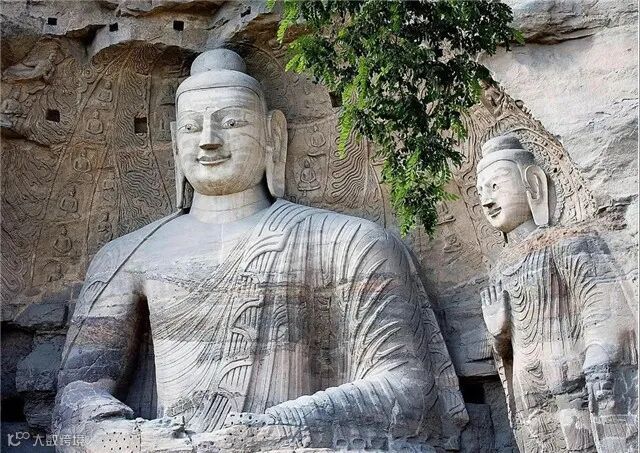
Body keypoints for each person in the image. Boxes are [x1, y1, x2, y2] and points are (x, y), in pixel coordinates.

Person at [53, 49, 466, 452]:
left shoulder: (349, 241)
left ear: (273, 134)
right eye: (192, 127)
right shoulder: (127, 256)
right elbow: (75, 401)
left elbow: (409, 391)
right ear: (174, 142)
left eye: (231, 122)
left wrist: (281, 428)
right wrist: (131, 438)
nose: (208, 141)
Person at [477, 134, 637, 453]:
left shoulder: (566, 243)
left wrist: (598, 356)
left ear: (534, 184)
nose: (487, 201)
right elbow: (506, 348)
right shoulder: (500, 269)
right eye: (480, 192)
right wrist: (499, 332)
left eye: (495, 186)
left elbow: (599, 305)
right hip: (530, 395)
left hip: (572, 381)